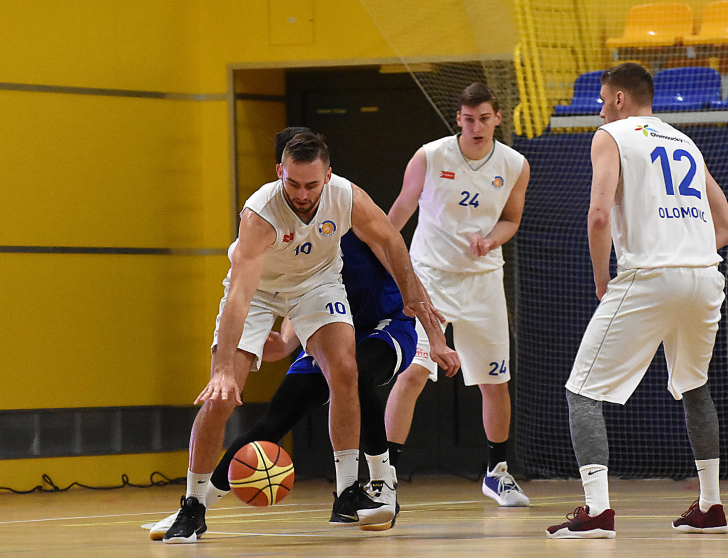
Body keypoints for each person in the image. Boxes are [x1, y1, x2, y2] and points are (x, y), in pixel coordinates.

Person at [148, 128, 459, 540]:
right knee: (222, 397)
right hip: (259, 295)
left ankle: (348, 491)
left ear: (327, 176)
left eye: (311, 184)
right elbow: (240, 297)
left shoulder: (346, 196)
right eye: (292, 183)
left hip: (317, 285)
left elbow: (392, 244)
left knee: (346, 370)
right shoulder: (259, 215)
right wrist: (222, 367)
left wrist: (423, 315)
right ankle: (192, 506)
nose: (302, 192)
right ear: (280, 171)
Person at [546, 62, 728, 539]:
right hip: (705, 275)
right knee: (695, 386)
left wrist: (600, 278)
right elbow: (727, 228)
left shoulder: (612, 136)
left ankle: (597, 511)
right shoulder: (683, 140)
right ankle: (710, 505)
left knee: (582, 391)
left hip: (650, 275)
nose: (600, 112)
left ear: (618, 99)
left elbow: (597, 215)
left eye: (602, 101)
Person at [384, 82, 532, 506]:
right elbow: (402, 208)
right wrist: (379, 252)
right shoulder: (429, 156)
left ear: (497, 118)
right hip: (430, 279)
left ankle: (497, 473)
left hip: (483, 282)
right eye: (468, 120)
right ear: (458, 120)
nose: (477, 127)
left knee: (495, 382)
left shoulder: (515, 164)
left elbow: (511, 218)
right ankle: (387, 475)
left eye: (484, 118)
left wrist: (491, 240)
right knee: (412, 374)